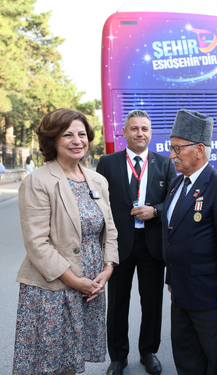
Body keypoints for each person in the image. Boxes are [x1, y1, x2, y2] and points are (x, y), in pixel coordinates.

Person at [13, 108, 119, 375]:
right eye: (67, 134)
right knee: (49, 361)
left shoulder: (98, 180)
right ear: (52, 141)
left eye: (82, 134)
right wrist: (75, 281)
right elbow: (37, 243)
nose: (77, 141)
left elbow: (110, 229)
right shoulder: (37, 181)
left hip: (91, 285)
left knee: (72, 358)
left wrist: (107, 267)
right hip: (53, 287)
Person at [163, 109, 217, 374]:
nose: (172, 155)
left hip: (210, 297)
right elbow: (172, 232)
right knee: (186, 357)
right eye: (171, 148)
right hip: (181, 291)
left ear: (199, 149)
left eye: (177, 149)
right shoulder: (177, 184)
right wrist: (171, 279)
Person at [96, 110, 176, 375]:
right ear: (125, 132)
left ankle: (148, 352)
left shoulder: (165, 164)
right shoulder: (107, 163)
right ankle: (117, 357)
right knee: (117, 302)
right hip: (119, 243)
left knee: (151, 302)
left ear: (150, 133)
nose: (140, 133)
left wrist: (156, 211)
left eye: (144, 129)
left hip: (152, 244)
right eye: (134, 129)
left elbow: (175, 201)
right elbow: (97, 203)